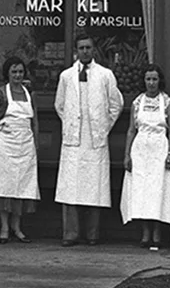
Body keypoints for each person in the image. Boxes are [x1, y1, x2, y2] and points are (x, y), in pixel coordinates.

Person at [53, 32, 124, 246]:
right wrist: (71, 123)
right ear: (76, 51)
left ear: (93, 50)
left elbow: (116, 104)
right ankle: (70, 234)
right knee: (70, 188)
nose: (85, 51)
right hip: (73, 139)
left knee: (95, 188)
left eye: (88, 47)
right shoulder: (66, 76)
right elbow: (59, 105)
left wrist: (103, 127)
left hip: (95, 139)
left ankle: (93, 234)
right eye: (81, 48)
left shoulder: (105, 75)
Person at [120, 64, 170, 250]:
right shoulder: (137, 102)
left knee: (157, 190)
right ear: (143, 81)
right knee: (142, 191)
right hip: (141, 149)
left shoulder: (167, 102)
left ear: (159, 81)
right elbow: (131, 130)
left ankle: (157, 233)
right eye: (148, 79)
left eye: (154, 79)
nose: (151, 83)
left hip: (159, 148)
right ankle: (145, 232)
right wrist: (127, 155)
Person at [0, 57, 41, 243]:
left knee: (22, 185)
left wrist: (36, 144)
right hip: (4, 144)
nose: (17, 75)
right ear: (7, 73)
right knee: (4, 185)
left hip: (25, 144)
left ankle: (17, 226)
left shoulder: (29, 94)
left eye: (20, 72)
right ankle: (4, 227)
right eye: (14, 72)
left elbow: (35, 121)